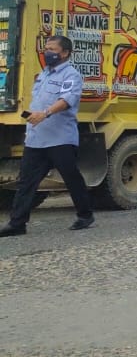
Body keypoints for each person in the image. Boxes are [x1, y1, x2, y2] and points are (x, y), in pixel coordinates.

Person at [0, 36, 93, 236]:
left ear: (65, 53)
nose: (47, 52)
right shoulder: (43, 74)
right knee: (26, 181)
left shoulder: (71, 75)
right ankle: (17, 224)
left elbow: (67, 100)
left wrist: (45, 113)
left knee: (71, 178)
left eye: (52, 49)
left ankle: (85, 215)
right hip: (36, 139)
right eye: (46, 48)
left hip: (60, 139)